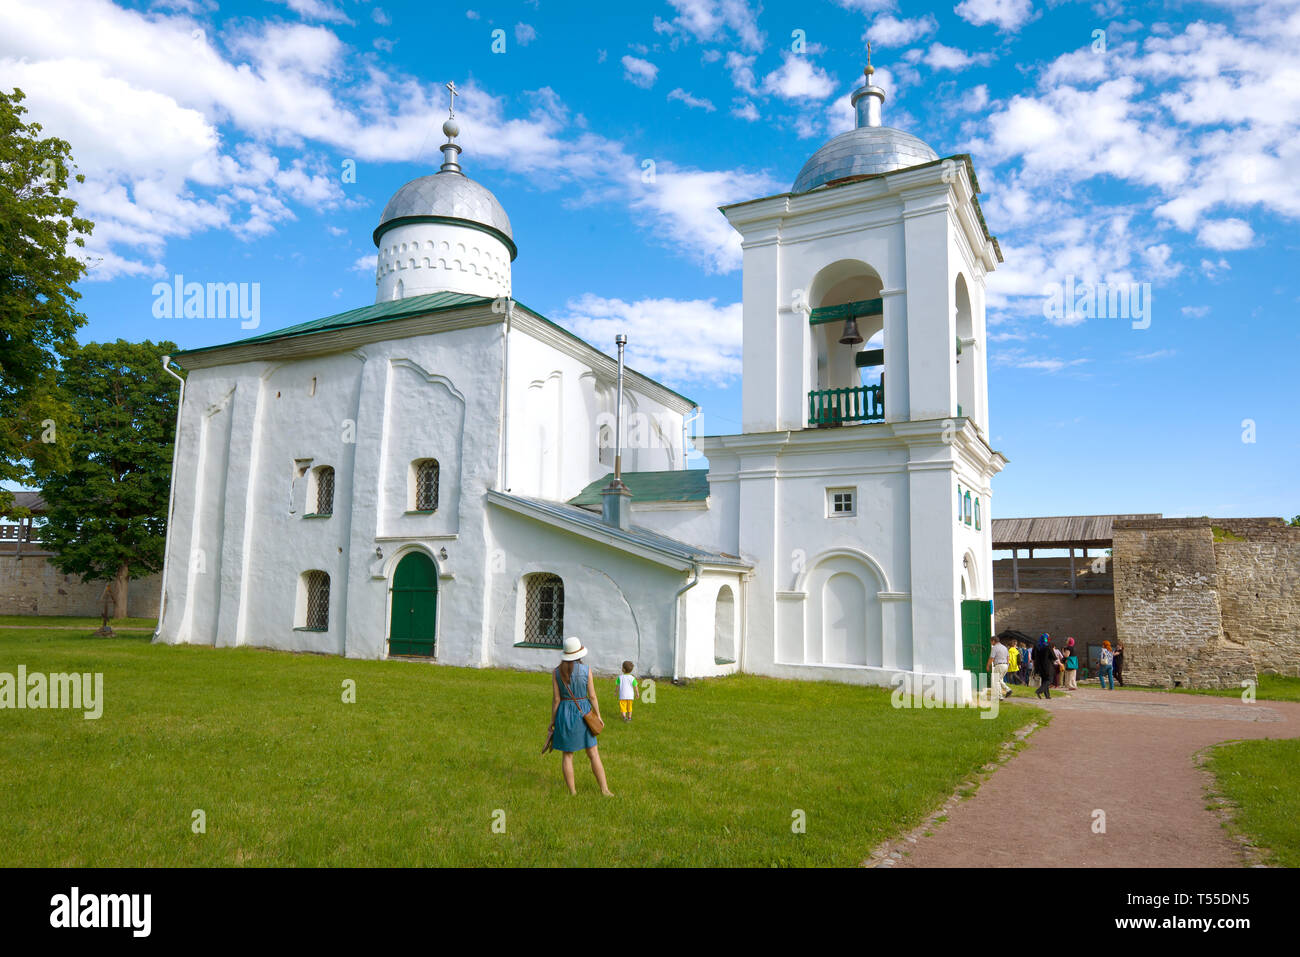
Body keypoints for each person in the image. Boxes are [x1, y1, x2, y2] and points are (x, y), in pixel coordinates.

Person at [550, 636, 613, 796]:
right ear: (579, 654)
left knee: (567, 755)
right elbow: (592, 696)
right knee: (593, 753)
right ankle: (604, 790)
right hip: (583, 711)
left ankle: (572, 792)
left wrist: (552, 721)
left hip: (564, 713)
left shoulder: (556, 672)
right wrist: (598, 715)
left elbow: (557, 699)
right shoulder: (587, 671)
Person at [1033, 634, 1053, 699]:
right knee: (1049, 680)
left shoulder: (1036, 646)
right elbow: (1053, 656)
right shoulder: (1048, 646)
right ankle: (1039, 691)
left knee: (1044, 680)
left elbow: (1033, 656)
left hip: (1039, 666)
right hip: (1047, 666)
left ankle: (1047, 695)